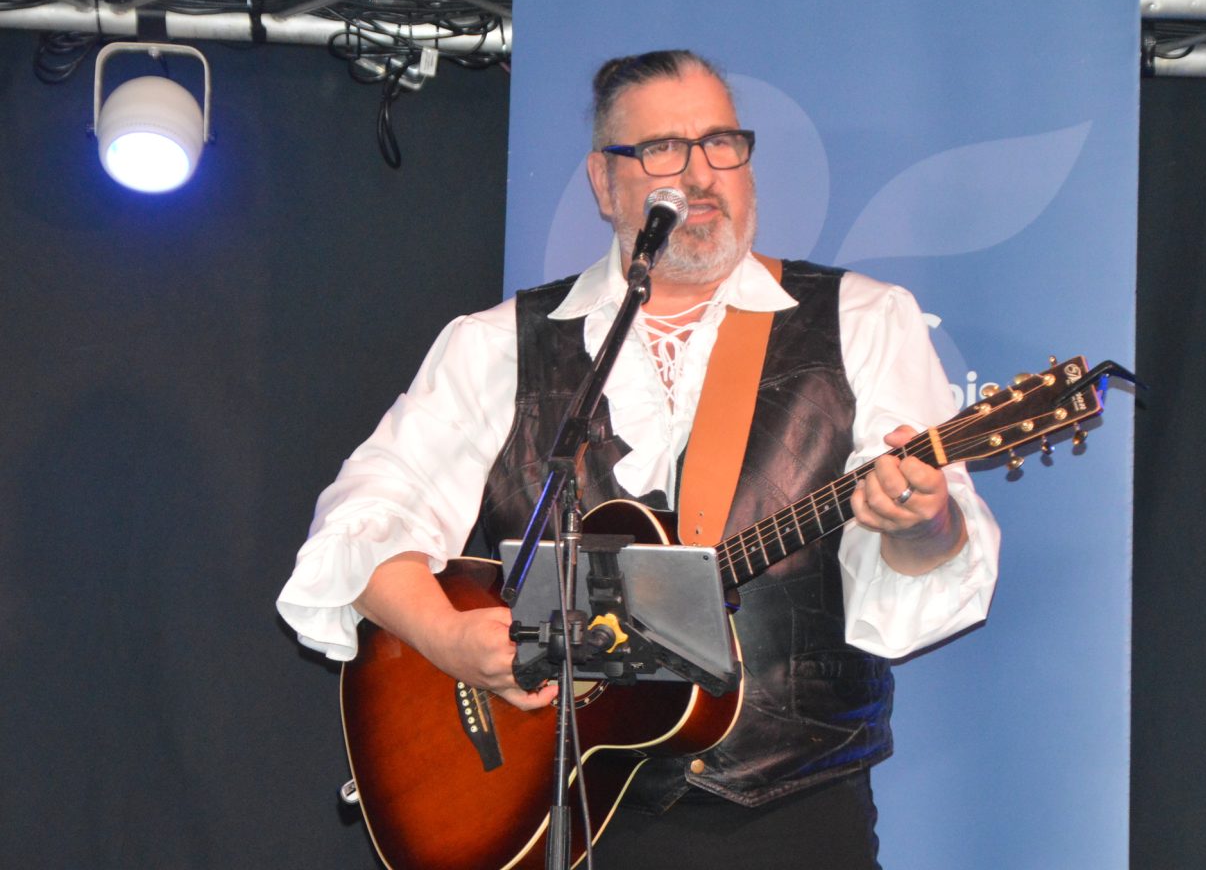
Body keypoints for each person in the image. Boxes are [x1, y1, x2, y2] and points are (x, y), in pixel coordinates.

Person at [277, 49, 1000, 869]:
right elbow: (362, 521)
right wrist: (445, 637)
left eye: (721, 143)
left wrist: (923, 523)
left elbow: (929, 562)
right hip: (564, 803)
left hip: (792, 812)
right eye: (662, 150)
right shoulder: (497, 344)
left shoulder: (862, 321)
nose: (699, 174)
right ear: (603, 180)